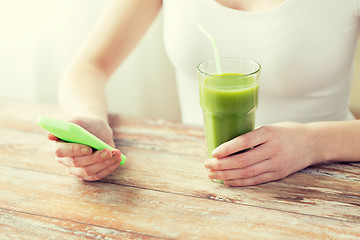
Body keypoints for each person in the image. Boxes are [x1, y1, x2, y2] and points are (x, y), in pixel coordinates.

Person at [50, 0, 360, 185]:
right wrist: (89, 124)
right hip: (204, 181)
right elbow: (88, 66)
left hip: (330, 181)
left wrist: (313, 143)